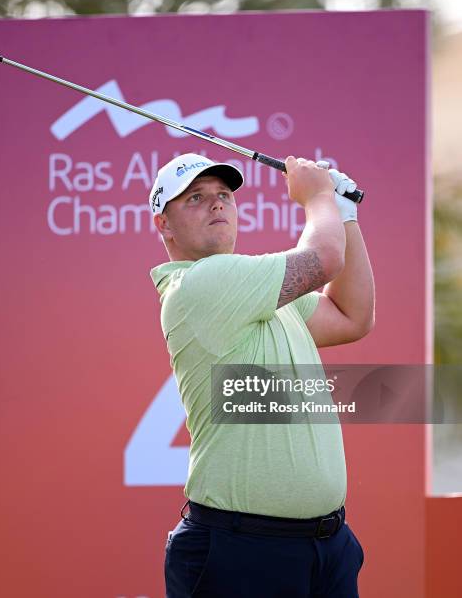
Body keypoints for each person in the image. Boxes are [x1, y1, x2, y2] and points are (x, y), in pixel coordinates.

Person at [149, 152, 375, 598]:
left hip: (326, 545)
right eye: (195, 197)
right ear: (164, 225)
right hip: (242, 549)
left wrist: (345, 215)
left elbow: (353, 316)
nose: (216, 204)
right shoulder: (202, 283)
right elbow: (324, 259)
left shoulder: (255, 288)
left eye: (224, 195)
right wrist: (320, 197)